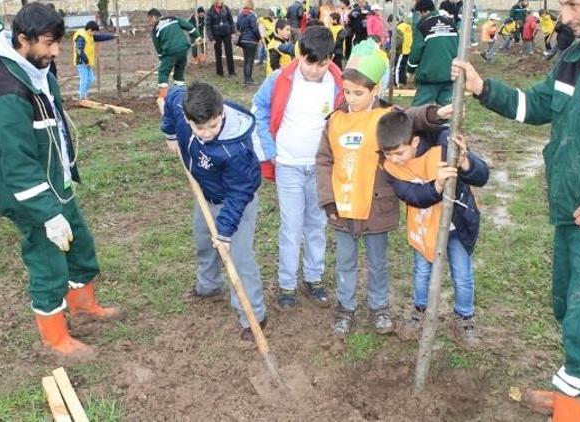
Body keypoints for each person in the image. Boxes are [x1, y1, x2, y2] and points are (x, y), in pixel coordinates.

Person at [451, 3, 580, 420]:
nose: (563, 14)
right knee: (569, 304)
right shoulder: (575, 57)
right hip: (569, 211)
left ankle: (574, 405)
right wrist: (482, 87)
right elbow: (537, 104)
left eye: (573, 4)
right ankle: (577, 392)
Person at [0, 3, 119, 357]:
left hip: (56, 181)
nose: (55, 51)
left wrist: (65, 175)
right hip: (28, 194)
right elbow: (18, 163)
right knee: (48, 257)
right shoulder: (7, 91)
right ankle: (54, 337)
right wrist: (46, 212)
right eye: (48, 43)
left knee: (80, 244)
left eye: (58, 42)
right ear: (22, 40)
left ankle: (83, 304)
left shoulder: (37, 72)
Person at [315, 39, 448, 335]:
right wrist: (327, 200)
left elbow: (411, 117)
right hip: (343, 207)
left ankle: (379, 308)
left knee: (378, 262)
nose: (351, 98)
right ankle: (345, 308)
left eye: (358, 93)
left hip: (376, 206)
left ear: (375, 90)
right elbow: (323, 160)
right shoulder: (334, 121)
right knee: (345, 262)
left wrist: (434, 114)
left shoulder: (385, 117)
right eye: (347, 91)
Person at [160, 82, 266, 342]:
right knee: (203, 242)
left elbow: (240, 192)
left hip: (236, 204)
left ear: (222, 114)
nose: (207, 132)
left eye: (213, 125)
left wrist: (226, 231)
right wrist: (171, 135)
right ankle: (208, 286)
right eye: (200, 127)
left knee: (238, 258)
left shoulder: (237, 148)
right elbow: (171, 96)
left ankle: (253, 314)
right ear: (188, 118)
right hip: (205, 194)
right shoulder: (180, 105)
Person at [377, 111, 488, 347]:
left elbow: (481, 175)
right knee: (421, 272)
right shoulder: (392, 168)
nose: (395, 159)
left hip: (457, 226)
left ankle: (464, 318)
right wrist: (436, 185)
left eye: (399, 153)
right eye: (389, 154)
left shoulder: (445, 146)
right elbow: (412, 195)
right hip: (425, 225)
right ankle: (419, 310)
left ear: (415, 142)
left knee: (462, 275)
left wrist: (465, 163)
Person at [252, 26, 343, 309]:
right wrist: (270, 150)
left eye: (322, 64)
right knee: (291, 226)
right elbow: (260, 109)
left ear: (330, 59)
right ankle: (287, 284)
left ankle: (313, 278)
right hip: (288, 165)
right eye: (309, 63)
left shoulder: (337, 82)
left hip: (319, 168)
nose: (315, 70)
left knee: (316, 224)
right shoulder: (279, 79)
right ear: (298, 54)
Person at [407, 0, 458, 106]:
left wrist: (410, 70)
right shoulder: (450, 24)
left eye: (419, 14)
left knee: (418, 108)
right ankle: (445, 123)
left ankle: (414, 122)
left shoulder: (423, 26)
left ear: (423, 12)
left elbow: (416, 51)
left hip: (430, 75)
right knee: (446, 109)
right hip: (450, 73)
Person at [147, 8, 202, 100]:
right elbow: (189, 26)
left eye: (149, 19)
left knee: (163, 73)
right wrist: (197, 36)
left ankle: (163, 98)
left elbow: (159, 48)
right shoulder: (173, 18)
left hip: (170, 52)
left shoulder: (155, 30)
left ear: (153, 17)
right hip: (183, 48)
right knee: (179, 72)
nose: (149, 22)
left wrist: (161, 60)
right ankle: (179, 96)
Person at [72, 21, 115, 100]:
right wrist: (85, 60)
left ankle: (84, 94)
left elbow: (100, 37)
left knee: (91, 79)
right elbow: (79, 50)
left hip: (87, 62)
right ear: (90, 30)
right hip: (81, 62)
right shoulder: (81, 37)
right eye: (94, 32)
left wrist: (113, 36)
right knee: (84, 80)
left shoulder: (89, 35)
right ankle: (82, 97)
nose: (95, 33)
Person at [206, 0, 236, 77]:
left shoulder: (226, 8)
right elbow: (208, 26)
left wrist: (233, 32)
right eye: (219, 1)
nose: (221, 2)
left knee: (229, 52)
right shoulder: (210, 12)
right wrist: (211, 38)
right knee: (218, 53)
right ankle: (219, 72)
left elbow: (231, 21)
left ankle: (231, 72)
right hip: (216, 34)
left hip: (227, 33)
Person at [236, 0, 260, 85]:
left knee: (246, 60)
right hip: (251, 40)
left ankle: (246, 78)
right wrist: (259, 37)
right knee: (250, 61)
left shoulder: (240, 15)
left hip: (243, 40)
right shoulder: (252, 15)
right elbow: (255, 28)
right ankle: (248, 79)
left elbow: (238, 27)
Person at [394, 16, 413, 86]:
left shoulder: (399, 27)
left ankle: (396, 84)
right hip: (408, 49)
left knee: (397, 67)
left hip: (401, 50)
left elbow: (399, 40)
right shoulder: (408, 26)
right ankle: (403, 82)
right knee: (403, 67)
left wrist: (393, 48)